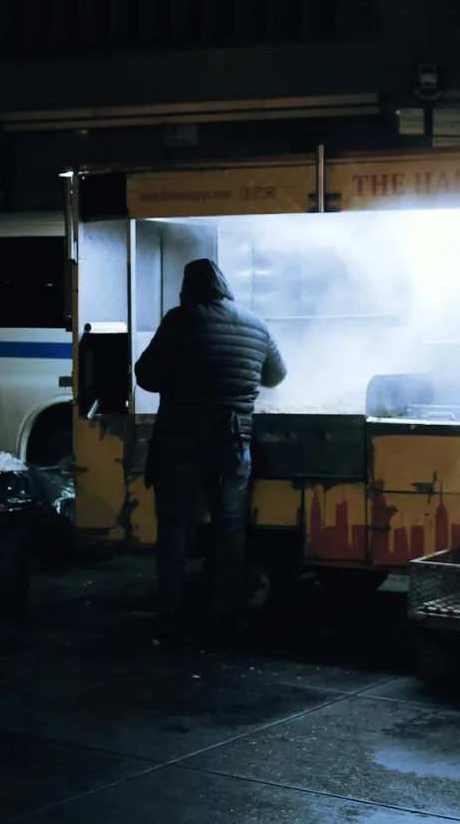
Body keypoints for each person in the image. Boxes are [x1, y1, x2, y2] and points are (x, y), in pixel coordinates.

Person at [134, 258, 287, 641]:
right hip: (231, 443)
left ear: (189, 288)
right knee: (230, 529)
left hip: (179, 441)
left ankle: (170, 613)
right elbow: (277, 375)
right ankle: (225, 614)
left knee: (174, 529)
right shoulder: (255, 323)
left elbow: (146, 376)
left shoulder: (180, 319)